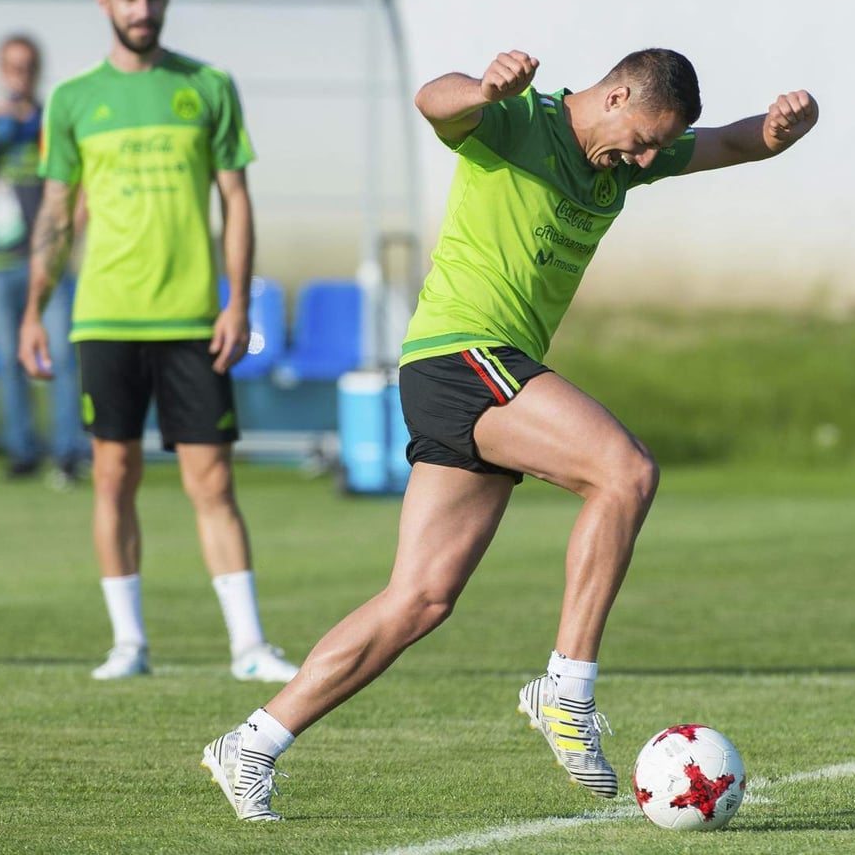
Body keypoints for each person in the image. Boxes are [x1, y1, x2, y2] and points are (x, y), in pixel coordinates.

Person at [201, 47, 819, 821]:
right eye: (646, 136)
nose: (650, 156)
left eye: (660, 147)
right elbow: (435, 100)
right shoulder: (520, 121)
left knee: (419, 599)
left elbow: (736, 141)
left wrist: (789, 125)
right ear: (618, 95)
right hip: (462, 353)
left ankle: (252, 743)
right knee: (623, 472)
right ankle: (566, 687)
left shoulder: (624, 160)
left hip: (475, 373)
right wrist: (484, 89)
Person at [17, 0, 299, 684]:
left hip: (191, 321)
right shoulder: (74, 100)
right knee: (113, 477)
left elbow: (236, 201)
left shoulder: (208, 86)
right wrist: (32, 311)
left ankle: (249, 646)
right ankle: (128, 644)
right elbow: (56, 213)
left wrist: (237, 299)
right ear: (104, 2)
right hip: (104, 319)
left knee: (213, 483)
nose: (143, 10)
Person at [0, 34, 85, 486]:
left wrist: (69, 238)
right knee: (8, 361)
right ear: (1, 70)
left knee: (59, 356)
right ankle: (21, 450)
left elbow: (79, 181)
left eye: (27, 67)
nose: (20, 75)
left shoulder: (51, 122)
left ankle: (68, 452)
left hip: (46, 262)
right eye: (12, 67)